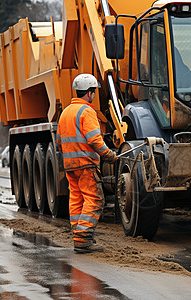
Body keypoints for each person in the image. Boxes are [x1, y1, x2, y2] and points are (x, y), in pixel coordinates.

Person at [56, 73, 117, 254]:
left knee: (77, 199)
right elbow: (94, 139)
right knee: (95, 199)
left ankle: (79, 235)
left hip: (70, 165)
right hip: (86, 164)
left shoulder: (65, 112)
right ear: (90, 92)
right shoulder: (87, 111)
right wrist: (109, 154)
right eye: (94, 92)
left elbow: (59, 141)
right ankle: (84, 239)